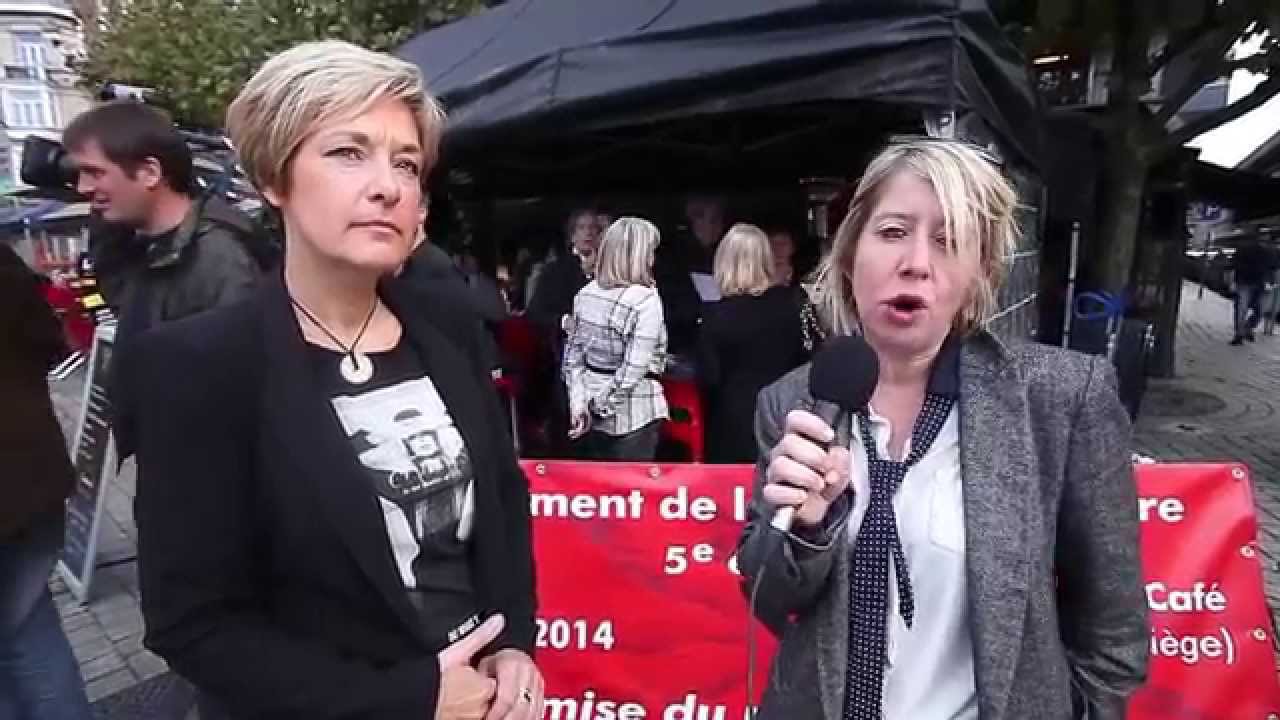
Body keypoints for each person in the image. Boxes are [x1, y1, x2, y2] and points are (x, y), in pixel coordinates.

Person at [123, 41, 541, 720]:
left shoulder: (448, 326)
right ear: (274, 178)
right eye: (348, 152)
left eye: (406, 163)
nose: (388, 186)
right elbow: (193, 623)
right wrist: (410, 699)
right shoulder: (197, 366)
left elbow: (502, 497)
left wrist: (514, 639)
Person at [737, 139, 1147, 719]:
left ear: (979, 274)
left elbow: (1113, 628)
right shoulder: (792, 401)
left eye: (949, 240)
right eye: (893, 232)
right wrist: (807, 526)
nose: (916, 263)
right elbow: (769, 599)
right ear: (850, 253)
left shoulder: (1061, 398)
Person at [64, 101, 262, 342]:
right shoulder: (135, 247)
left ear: (150, 173)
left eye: (95, 173)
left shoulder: (220, 258)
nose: (83, 187)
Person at [0, 245, 94, 720]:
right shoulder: (5, 268)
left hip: (21, 488)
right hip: (32, 482)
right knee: (30, 631)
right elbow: (50, 344)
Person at [697, 224, 810, 464]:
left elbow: (710, 377)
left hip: (733, 422)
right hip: (784, 414)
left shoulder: (716, 316)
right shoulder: (790, 305)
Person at [563, 217, 669, 461]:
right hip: (635, 413)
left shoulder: (584, 295)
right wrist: (600, 408)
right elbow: (634, 369)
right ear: (640, 255)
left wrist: (579, 405)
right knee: (630, 485)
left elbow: (572, 361)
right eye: (650, 252)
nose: (653, 259)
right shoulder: (646, 300)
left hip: (589, 409)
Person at [1227, 235, 1279, 345]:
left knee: (1245, 308)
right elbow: (1274, 269)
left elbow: (1274, 269)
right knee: (1256, 309)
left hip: (1257, 283)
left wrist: (1273, 282)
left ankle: (1245, 329)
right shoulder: (1269, 251)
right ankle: (1241, 333)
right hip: (1248, 282)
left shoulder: (1271, 251)